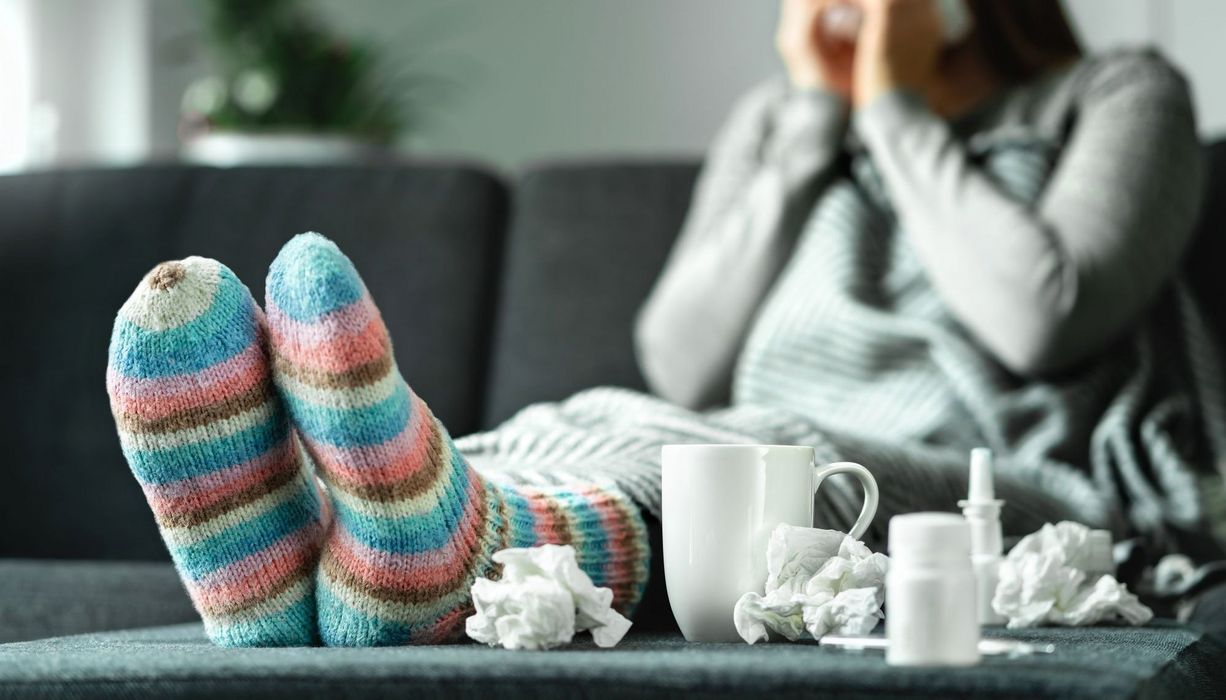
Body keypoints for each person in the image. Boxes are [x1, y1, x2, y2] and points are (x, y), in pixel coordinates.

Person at [106, 0, 1220, 648]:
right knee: (581, 412)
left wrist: (889, 107)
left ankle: (458, 558)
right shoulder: (780, 125)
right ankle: (308, 569)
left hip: (995, 485)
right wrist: (805, 133)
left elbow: (1041, 318)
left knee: (764, 459)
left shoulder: (1119, 93)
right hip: (747, 431)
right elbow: (676, 355)